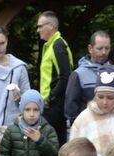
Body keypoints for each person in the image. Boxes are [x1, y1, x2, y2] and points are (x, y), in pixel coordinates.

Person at [36, 11, 72, 145]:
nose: (38, 30)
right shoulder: (51, 45)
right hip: (51, 104)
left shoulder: (58, 45)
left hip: (54, 105)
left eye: (40, 26)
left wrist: (50, 98)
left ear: (51, 26)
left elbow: (65, 77)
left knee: (52, 144)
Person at [64, 31, 111, 123]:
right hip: (87, 127)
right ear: (90, 48)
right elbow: (70, 108)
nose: (104, 52)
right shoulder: (78, 74)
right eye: (100, 48)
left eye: (107, 48)